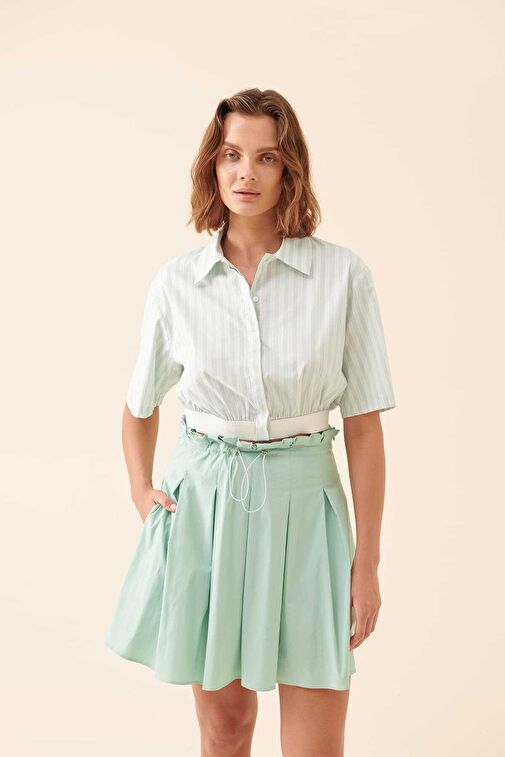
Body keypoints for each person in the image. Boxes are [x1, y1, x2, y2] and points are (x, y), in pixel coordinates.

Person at [105, 87, 396, 757]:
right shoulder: (177, 282)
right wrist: (141, 489)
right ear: (212, 164)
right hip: (206, 511)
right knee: (226, 728)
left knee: (316, 745)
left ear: (289, 169)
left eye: (266, 157)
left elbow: (363, 426)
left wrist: (368, 564)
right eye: (231, 155)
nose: (246, 173)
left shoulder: (342, 276)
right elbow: (139, 405)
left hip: (308, 507)